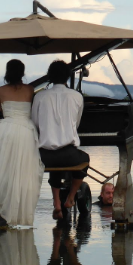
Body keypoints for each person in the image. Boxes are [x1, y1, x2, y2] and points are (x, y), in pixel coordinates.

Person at [0, 59, 44, 226]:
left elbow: (3, 111)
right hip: (25, 131)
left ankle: (2, 207)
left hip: (5, 131)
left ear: (7, 72)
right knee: (24, 172)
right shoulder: (30, 89)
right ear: (22, 73)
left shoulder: (0, 90)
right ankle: (20, 212)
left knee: (3, 170)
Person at [31, 60, 89, 220]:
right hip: (69, 155)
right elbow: (76, 123)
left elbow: (35, 124)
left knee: (54, 159)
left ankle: (57, 203)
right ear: (67, 76)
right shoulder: (77, 96)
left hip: (44, 156)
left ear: (49, 76)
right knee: (84, 159)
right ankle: (70, 197)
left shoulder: (39, 96)